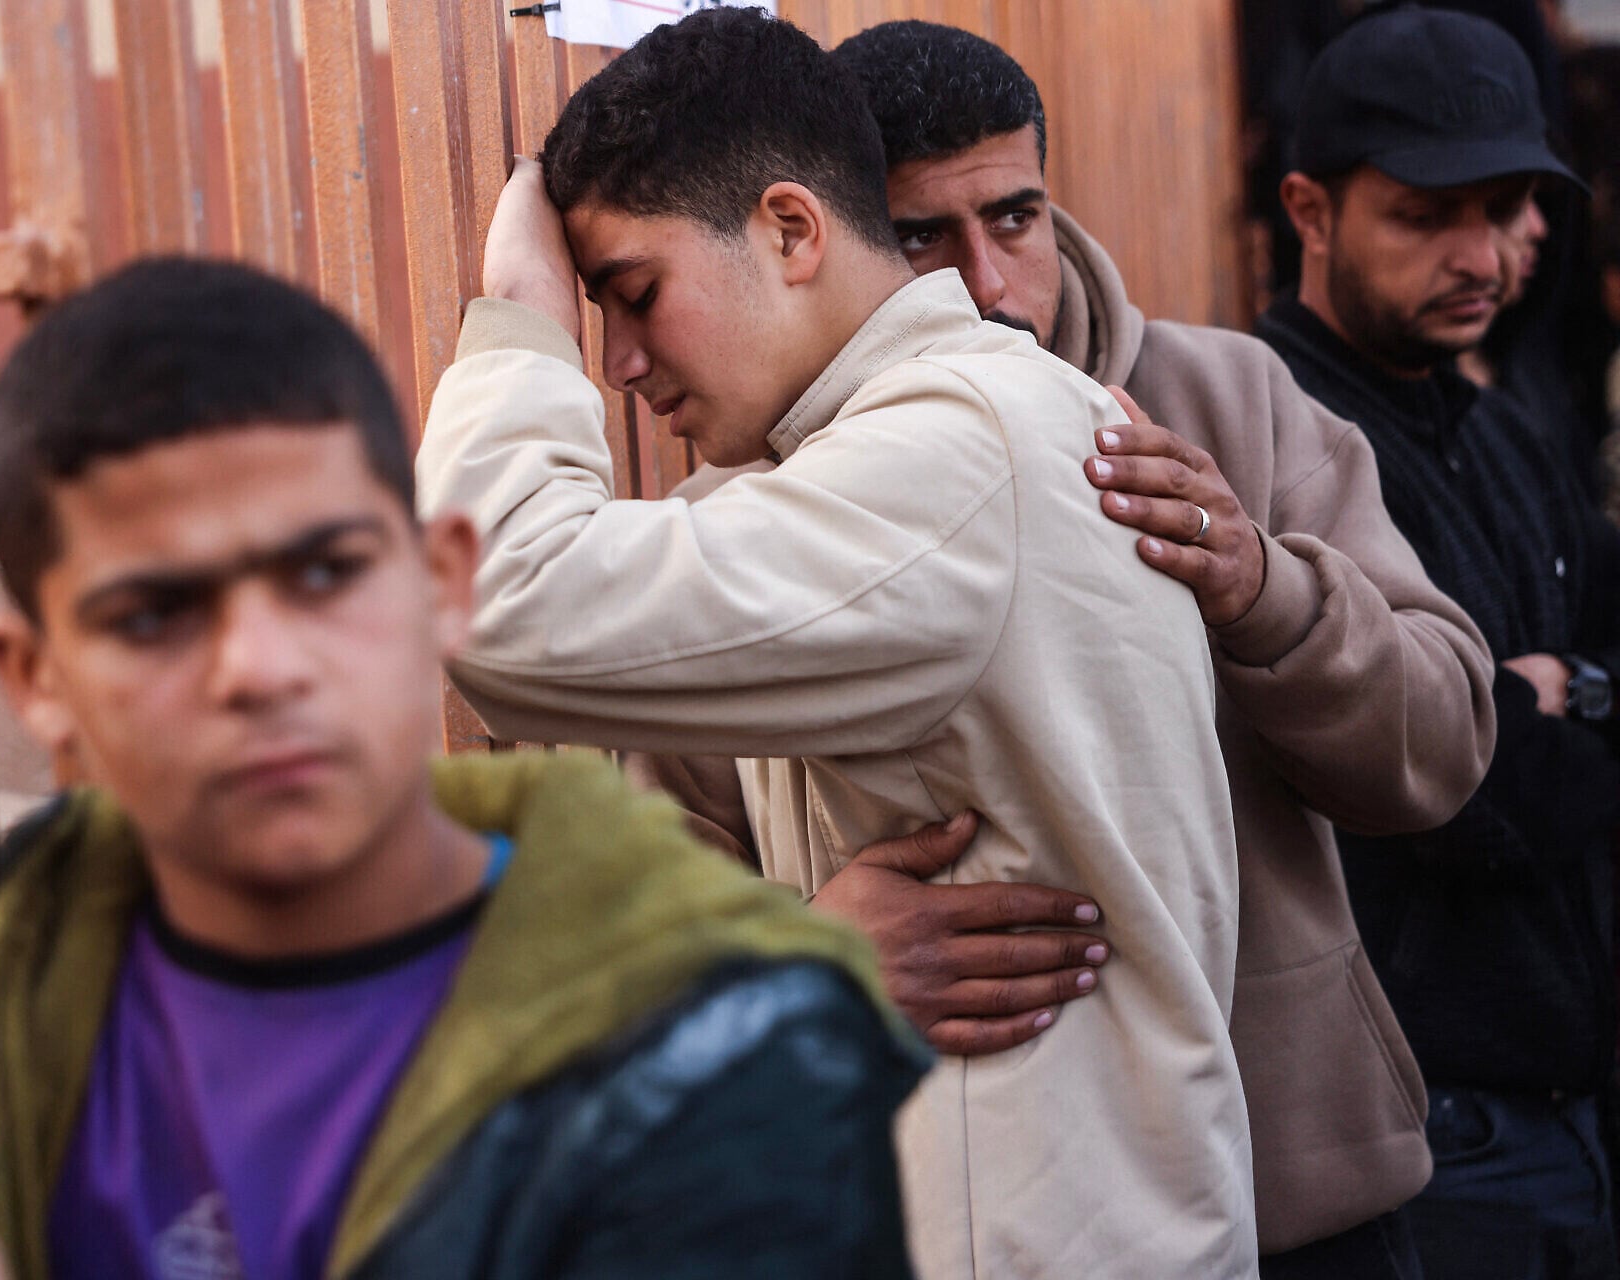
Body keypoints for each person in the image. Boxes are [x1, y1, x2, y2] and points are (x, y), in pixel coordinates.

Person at [0, 257, 930, 1280]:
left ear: (442, 582)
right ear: (34, 677)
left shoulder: (723, 1048)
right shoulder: (26, 940)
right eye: (152, 614)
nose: (259, 667)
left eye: (324, 573)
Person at [631, 21, 1497, 1278]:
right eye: (921, 235)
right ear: (821, 239)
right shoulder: (744, 514)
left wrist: (1261, 589)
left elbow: (1444, 748)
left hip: (1296, 1199)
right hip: (969, 1224)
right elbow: (650, 899)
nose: (988, 281)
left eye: (1014, 216)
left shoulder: (1228, 405)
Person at [415, 9, 1256, 1276]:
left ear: (791, 230)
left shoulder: (949, 455)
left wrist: (520, 311)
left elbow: (496, 603)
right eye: (592, 316)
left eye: (635, 296)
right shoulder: (935, 433)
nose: (621, 361)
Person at [1254, 9, 1620, 1277]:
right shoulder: (1270, 440)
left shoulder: (1496, 425)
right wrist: (1511, 731)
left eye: (1504, 208)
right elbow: (1470, 799)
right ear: (1308, 209)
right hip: (1423, 1131)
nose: (1477, 255)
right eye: (1421, 215)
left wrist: (1567, 693)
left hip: (1566, 1106)